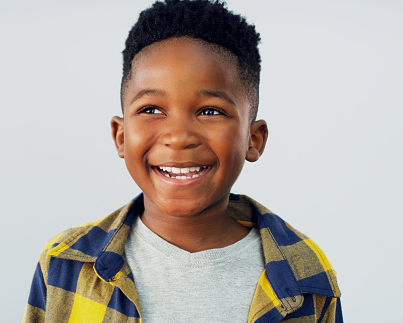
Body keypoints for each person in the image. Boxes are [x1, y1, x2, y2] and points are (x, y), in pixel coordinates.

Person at [24, 0, 342, 322]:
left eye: (210, 111)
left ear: (253, 139)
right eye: (151, 110)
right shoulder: (65, 264)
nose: (178, 137)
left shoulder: (309, 277)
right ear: (121, 136)